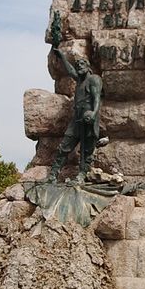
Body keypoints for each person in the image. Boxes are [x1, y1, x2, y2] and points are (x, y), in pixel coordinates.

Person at [47, 42, 102, 184]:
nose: (79, 68)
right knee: (64, 145)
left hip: (88, 118)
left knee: (86, 150)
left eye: (82, 65)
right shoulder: (79, 80)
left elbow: (97, 99)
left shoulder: (94, 79)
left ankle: (82, 175)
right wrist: (62, 57)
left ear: (88, 66)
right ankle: (53, 174)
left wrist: (93, 114)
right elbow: (71, 70)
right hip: (77, 118)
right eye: (78, 66)